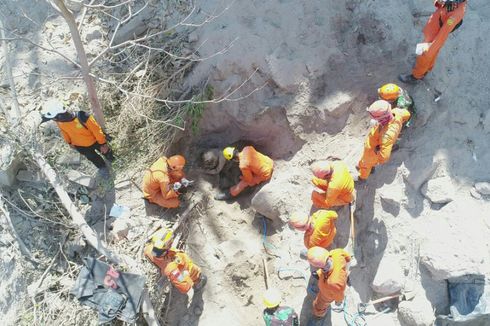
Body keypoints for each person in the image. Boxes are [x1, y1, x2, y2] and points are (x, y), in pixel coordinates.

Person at [399, 0, 467, 83]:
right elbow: (439, 4)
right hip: (433, 28)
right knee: (429, 55)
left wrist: (430, 49)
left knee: (425, 54)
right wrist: (442, 1)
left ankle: (416, 76)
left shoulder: (456, 14)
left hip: (435, 35)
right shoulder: (452, 2)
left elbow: (442, 35)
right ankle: (427, 68)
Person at [41, 99, 113, 170]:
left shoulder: (83, 117)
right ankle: (103, 168)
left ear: (59, 116)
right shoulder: (60, 122)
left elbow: (97, 131)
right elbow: (64, 132)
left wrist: (103, 144)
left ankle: (114, 162)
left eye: (53, 118)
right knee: (93, 158)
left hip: (95, 142)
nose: (53, 120)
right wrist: (69, 142)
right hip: (81, 147)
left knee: (107, 153)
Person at [357, 100, 410, 180]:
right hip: (388, 140)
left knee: (366, 163)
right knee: (388, 145)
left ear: (382, 118)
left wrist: (375, 157)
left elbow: (384, 157)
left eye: (375, 117)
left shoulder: (386, 136)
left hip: (373, 150)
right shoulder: (396, 112)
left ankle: (362, 178)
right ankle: (390, 148)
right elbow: (407, 114)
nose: (372, 118)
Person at [144, 228, 206, 294]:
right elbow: (184, 287)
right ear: (167, 246)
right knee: (193, 273)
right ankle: (197, 282)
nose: (172, 241)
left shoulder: (148, 249)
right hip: (186, 271)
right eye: (170, 241)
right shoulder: (172, 270)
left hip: (173, 264)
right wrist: (185, 274)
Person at [307, 247, 350, 321]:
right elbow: (348, 258)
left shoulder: (333, 283)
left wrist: (338, 301)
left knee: (320, 304)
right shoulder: (337, 252)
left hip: (327, 294)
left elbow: (339, 295)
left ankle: (319, 314)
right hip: (338, 273)